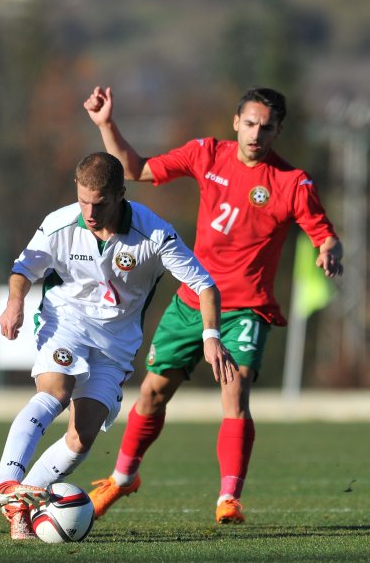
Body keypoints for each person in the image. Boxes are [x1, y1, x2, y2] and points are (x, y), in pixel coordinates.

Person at [82, 85, 344, 524]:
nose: (256, 134)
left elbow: (323, 231)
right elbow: (137, 169)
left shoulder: (291, 182)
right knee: (152, 393)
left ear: (278, 130)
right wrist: (105, 123)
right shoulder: (207, 154)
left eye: (266, 127)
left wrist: (329, 249)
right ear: (236, 123)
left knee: (235, 389)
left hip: (247, 308)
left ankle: (229, 498)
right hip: (192, 300)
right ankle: (123, 477)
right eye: (250, 124)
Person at [0, 152, 237, 539]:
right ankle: (5, 482)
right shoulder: (60, 224)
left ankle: (22, 502)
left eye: (99, 203)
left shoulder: (154, 234)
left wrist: (211, 336)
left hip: (116, 343)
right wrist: (15, 303)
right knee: (56, 391)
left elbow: (204, 284)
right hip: (65, 321)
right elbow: (23, 269)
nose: (89, 211)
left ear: (120, 195)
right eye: (83, 201)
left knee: (82, 438)